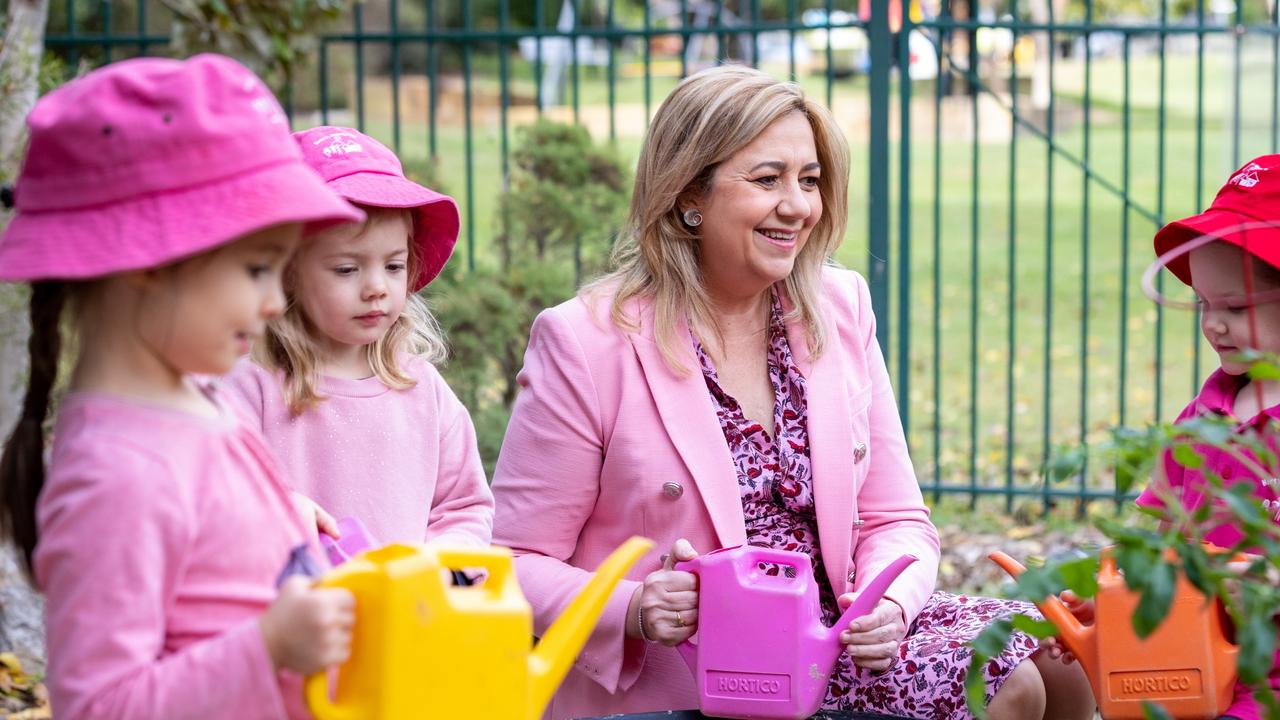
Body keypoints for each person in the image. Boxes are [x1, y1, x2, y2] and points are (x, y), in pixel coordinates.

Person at [488, 64, 1094, 720]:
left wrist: (892, 605)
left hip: (844, 632)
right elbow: (507, 563)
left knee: (1062, 661)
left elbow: (898, 519)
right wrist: (633, 606)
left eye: (809, 180)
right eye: (768, 179)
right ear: (689, 193)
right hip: (717, 664)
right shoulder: (588, 340)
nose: (799, 205)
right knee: (1008, 689)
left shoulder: (838, 305)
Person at [0, 55, 362, 719]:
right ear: (148, 260)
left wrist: (281, 514)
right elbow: (98, 705)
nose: (275, 303)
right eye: (257, 268)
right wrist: (269, 646)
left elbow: (198, 533)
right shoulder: (116, 474)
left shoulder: (189, 394)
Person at [1046, 155, 1280, 720]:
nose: (1212, 325)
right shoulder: (1201, 416)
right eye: (1204, 303)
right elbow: (1166, 545)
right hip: (1196, 665)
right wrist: (1110, 607)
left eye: (1236, 307)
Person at [224, 126, 492, 550]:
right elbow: (214, 498)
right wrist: (277, 510)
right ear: (288, 270)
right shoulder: (250, 389)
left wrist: (444, 561)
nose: (376, 288)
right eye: (347, 269)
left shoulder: (423, 390)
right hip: (299, 612)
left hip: (408, 611)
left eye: (394, 266)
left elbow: (462, 507)